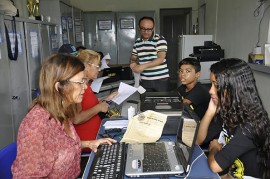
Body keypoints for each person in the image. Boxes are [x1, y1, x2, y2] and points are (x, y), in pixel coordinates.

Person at [11, 54, 116, 178]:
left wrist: (89, 143)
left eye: (85, 81)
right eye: (80, 82)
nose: (84, 87)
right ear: (59, 87)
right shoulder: (37, 125)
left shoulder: (61, 111)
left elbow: (60, 146)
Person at [205, 58, 270, 178]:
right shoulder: (230, 112)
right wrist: (210, 111)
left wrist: (213, 149)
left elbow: (215, 165)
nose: (210, 90)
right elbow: (199, 139)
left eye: (216, 86)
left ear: (234, 89)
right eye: (211, 84)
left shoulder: (250, 126)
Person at [73, 49, 118, 152]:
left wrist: (106, 100)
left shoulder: (87, 85)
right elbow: (76, 118)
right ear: (86, 66)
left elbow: (89, 107)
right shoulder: (78, 88)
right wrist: (99, 107)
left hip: (98, 134)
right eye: (97, 66)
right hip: (89, 143)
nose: (99, 70)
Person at [130, 16, 170, 92]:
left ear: (153, 28)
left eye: (149, 29)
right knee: (145, 102)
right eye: (143, 29)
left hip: (161, 80)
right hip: (144, 80)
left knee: (161, 103)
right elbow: (133, 58)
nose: (146, 32)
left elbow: (161, 59)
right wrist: (133, 64)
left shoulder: (159, 39)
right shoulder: (137, 42)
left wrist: (142, 66)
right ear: (139, 28)